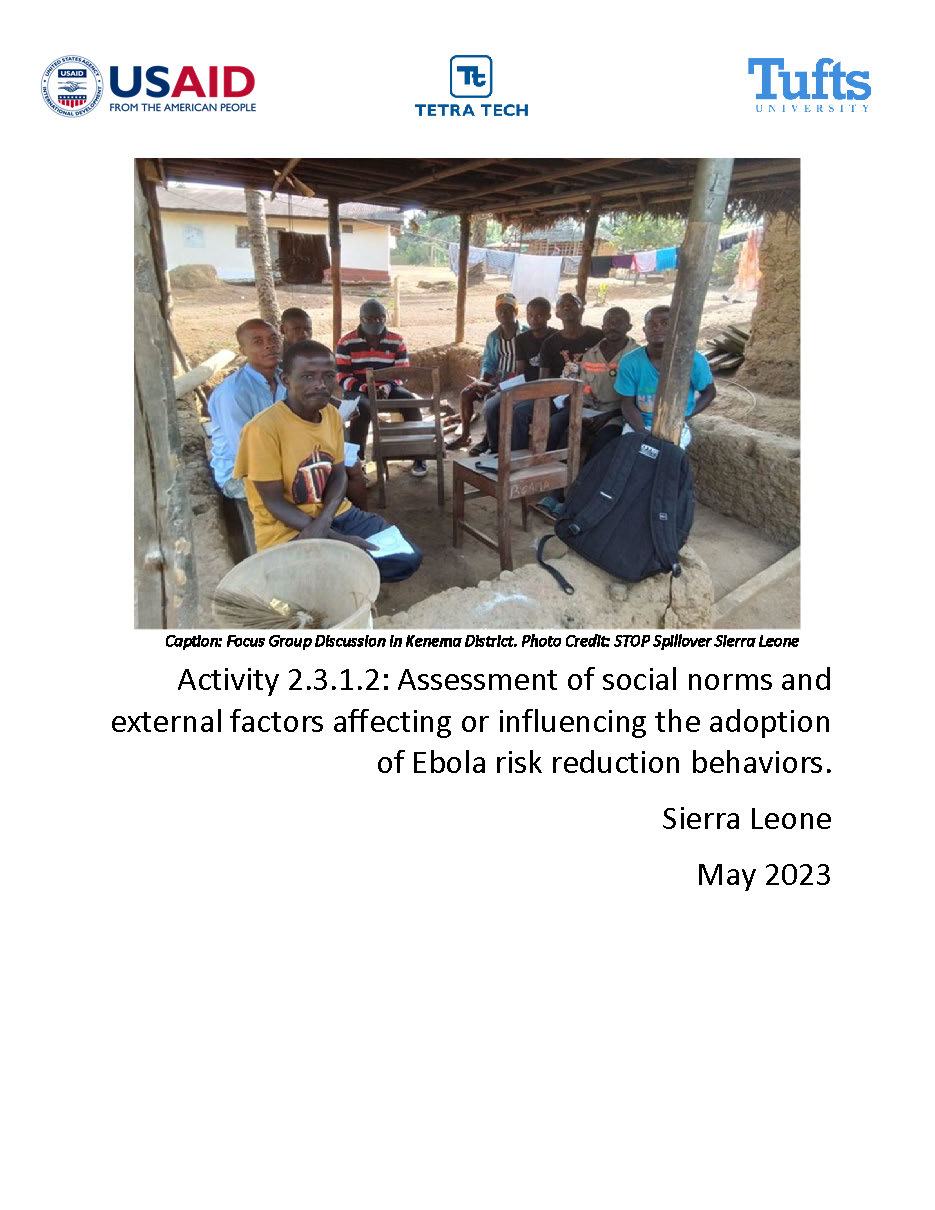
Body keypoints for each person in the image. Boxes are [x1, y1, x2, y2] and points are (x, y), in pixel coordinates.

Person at [234, 341, 422, 582]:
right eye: (308, 376)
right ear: (286, 380)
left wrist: (325, 522)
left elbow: (338, 474)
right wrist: (339, 541)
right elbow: (273, 502)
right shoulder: (262, 429)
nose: (320, 385)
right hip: (286, 527)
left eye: (329, 376)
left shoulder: (331, 415)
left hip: (334, 514)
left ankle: (336, 568)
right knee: (311, 582)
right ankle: (335, 572)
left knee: (408, 557)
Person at [335, 299, 427, 477]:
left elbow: (402, 373)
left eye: (380, 318)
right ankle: (356, 463)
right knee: (362, 409)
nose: (376, 323)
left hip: (387, 388)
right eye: (370, 319)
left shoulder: (396, 340)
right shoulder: (346, 342)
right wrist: (365, 388)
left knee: (410, 403)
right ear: (361, 319)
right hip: (357, 389)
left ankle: (419, 455)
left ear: (385, 318)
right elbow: (342, 377)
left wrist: (386, 387)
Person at [507, 293, 603, 454]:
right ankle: (517, 459)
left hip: (586, 396)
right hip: (557, 396)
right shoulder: (550, 343)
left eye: (572, 303)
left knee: (555, 423)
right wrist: (553, 398)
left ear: (582, 310)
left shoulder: (597, 336)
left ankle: (544, 462)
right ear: (557, 313)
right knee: (520, 412)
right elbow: (543, 381)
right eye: (562, 304)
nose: (567, 306)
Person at [614, 305, 716, 448]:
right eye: (651, 324)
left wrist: (683, 417)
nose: (657, 328)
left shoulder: (693, 360)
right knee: (631, 459)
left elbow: (709, 392)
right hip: (639, 424)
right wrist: (641, 432)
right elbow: (627, 402)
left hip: (675, 425)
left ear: (676, 327)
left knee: (667, 461)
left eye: (665, 323)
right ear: (644, 330)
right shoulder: (630, 362)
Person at [207, 318, 285, 498]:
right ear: (243, 351)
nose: (269, 346)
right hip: (240, 476)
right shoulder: (233, 392)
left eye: (273, 339)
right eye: (258, 342)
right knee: (305, 489)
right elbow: (246, 453)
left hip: (280, 463)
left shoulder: (285, 380)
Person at [473, 297, 558, 456]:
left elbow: (554, 375)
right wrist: (501, 389)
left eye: (539, 315)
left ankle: (514, 455)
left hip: (545, 389)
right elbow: (520, 372)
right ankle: (495, 448)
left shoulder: (555, 338)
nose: (534, 319)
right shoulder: (522, 339)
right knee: (491, 406)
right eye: (530, 315)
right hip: (524, 385)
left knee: (517, 410)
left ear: (548, 316)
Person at [446, 293, 527, 451]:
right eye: (499, 310)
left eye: (507, 310)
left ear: (516, 312)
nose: (503, 314)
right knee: (466, 393)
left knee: (491, 398)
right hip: (498, 378)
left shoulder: (525, 334)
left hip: (516, 380)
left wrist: (497, 386)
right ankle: (465, 436)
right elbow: (489, 362)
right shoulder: (494, 336)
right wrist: (483, 380)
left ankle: (487, 440)